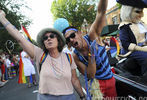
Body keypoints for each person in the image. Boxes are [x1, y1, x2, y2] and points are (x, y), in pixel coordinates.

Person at [0, 10, 85, 100]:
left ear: (58, 40)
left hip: (69, 97)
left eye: (52, 36)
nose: (48, 38)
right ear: (43, 42)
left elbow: (74, 80)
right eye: (45, 38)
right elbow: (19, 38)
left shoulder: (68, 57)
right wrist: (2, 18)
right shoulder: (39, 54)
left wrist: (82, 96)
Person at [58, 0, 117, 99]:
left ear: (80, 33)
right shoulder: (75, 55)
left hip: (110, 79)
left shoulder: (92, 36)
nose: (71, 40)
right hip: (95, 85)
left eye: (73, 35)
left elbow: (101, 12)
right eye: (68, 40)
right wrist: (92, 54)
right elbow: (90, 74)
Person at [117, 0, 147, 80]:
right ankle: (144, 80)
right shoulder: (124, 26)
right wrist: (142, 49)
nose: (142, 15)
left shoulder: (141, 24)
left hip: (143, 47)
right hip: (130, 51)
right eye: (138, 12)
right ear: (128, 11)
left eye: (142, 12)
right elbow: (125, 44)